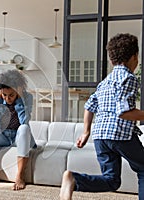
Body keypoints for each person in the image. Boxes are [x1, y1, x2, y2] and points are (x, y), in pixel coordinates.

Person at [60, 33, 144, 200]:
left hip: (101, 136)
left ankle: (75, 179)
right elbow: (124, 112)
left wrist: (86, 132)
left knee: (112, 180)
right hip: (120, 134)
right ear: (135, 56)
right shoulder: (128, 78)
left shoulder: (105, 82)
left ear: (112, 60)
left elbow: (89, 106)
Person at [0, 69, 36, 190]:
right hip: (2, 137)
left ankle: (20, 176)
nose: (8, 99)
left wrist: (20, 99)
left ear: (18, 90)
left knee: (24, 128)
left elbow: (24, 121)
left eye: (11, 95)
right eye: (4, 95)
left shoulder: (27, 97)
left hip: (17, 138)